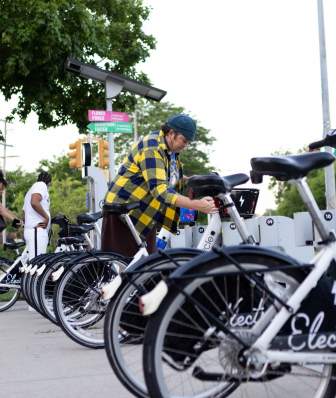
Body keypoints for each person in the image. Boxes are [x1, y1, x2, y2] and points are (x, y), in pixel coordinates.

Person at [101, 113, 217, 257]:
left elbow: (171, 180)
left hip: (144, 214)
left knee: (146, 267)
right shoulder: (153, 148)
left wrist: (199, 181)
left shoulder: (169, 151)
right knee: (118, 268)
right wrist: (196, 204)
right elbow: (160, 190)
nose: (185, 146)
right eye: (184, 140)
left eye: (188, 143)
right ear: (171, 133)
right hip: (123, 213)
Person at [23, 171, 52, 259]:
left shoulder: (31, 190)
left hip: (34, 231)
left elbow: (24, 213)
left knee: (35, 264)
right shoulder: (41, 185)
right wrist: (46, 217)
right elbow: (34, 202)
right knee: (36, 264)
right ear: (49, 182)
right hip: (36, 231)